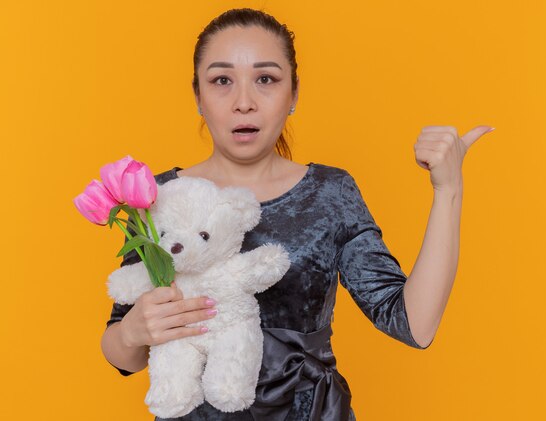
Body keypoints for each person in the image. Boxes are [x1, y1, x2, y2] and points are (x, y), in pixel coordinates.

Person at [100, 7, 494, 421]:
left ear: (294, 94)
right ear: (198, 95)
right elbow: (124, 354)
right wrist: (132, 331)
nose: (244, 103)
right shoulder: (157, 197)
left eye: (266, 79)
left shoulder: (330, 193)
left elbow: (413, 324)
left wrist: (448, 191)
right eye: (221, 81)